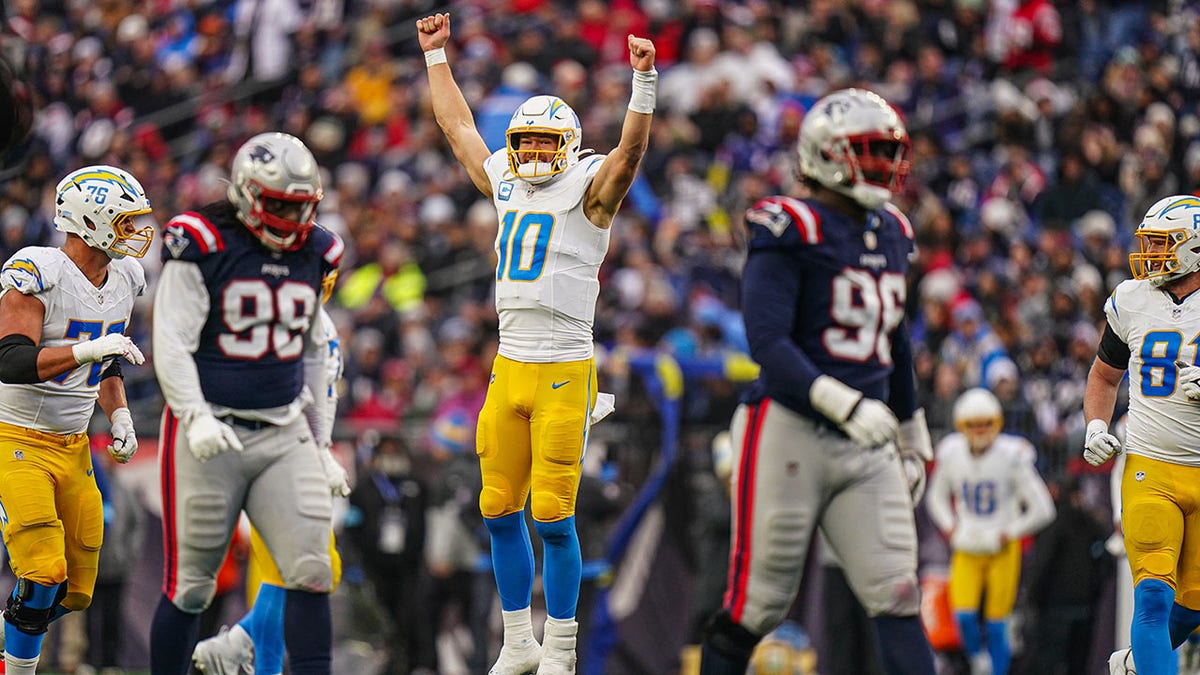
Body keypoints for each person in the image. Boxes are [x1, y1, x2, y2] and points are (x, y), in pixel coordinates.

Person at [416, 11, 655, 674]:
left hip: (563, 368)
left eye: (545, 143)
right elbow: (458, 129)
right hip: (509, 365)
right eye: (523, 143)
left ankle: (562, 644)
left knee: (553, 514)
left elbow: (630, 153)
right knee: (496, 507)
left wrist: (643, 82)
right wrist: (437, 58)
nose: (530, 155)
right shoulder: (509, 182)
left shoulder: (589, 190)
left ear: (571, 144)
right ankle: (518, 640)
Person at [697, 88, 938, 675]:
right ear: (826, 155)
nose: (884, 166)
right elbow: (769, 346)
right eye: (868, 152)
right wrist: (847, 404)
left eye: (888, 152)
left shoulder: (895, 232)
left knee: (899, 593)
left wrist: (911, 426)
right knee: (756, 605)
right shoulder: (790, 225)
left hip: (867, 441)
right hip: (789, 429)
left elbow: (895, 340)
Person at [148, 131, 344, 675]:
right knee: (191, 586)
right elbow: (172, 342)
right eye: (278, 204)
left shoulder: (317, 251)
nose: (288, 219)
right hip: (211, 433)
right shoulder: (203, 242)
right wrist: (195, 416)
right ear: (245, 193)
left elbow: (314, 354)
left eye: (299, 207)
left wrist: (322, 443)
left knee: (312, 570)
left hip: (284, 432)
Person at [0, 164, 153, 674]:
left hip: (73, 443)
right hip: (15, 437)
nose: (136, 233)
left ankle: (12, 636)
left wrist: (121, 414)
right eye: (126, 222)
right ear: (93, 219)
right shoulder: (40, 269)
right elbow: (12, 361)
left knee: (80, 590)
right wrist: (90, 350)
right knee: (43, 570)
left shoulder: (125, 277)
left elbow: (107, 361)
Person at [190, 307, 351, 675]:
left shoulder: (312, 320)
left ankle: (237, 645)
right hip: (279, 453)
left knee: (318, 569)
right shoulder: (288, 314)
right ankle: (251, 656)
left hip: (298, 454)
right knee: (295, 572)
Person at [1084, 194, 1200, 675]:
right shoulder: (1131, 299)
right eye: (1149, 243)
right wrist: (1095, 424)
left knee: (1192, 605)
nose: (1151, 254)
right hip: (1149, 466)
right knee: (1152, 595)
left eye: (1163, 244)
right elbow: (1103, 377)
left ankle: (1134, 664)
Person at [924, 387, 1055, 675]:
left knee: (998, 624)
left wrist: (1010, 531)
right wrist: (951, 527)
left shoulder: (1012, 455)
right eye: (973, 424)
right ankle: (978, 661)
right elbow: (935, 497)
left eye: (985, 423)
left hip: (1001, 547)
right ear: (962, 425)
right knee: (964, 617)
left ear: (996, 423)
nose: (980, 430)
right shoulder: (952, 453)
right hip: (967, 544)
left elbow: (1043, 508)